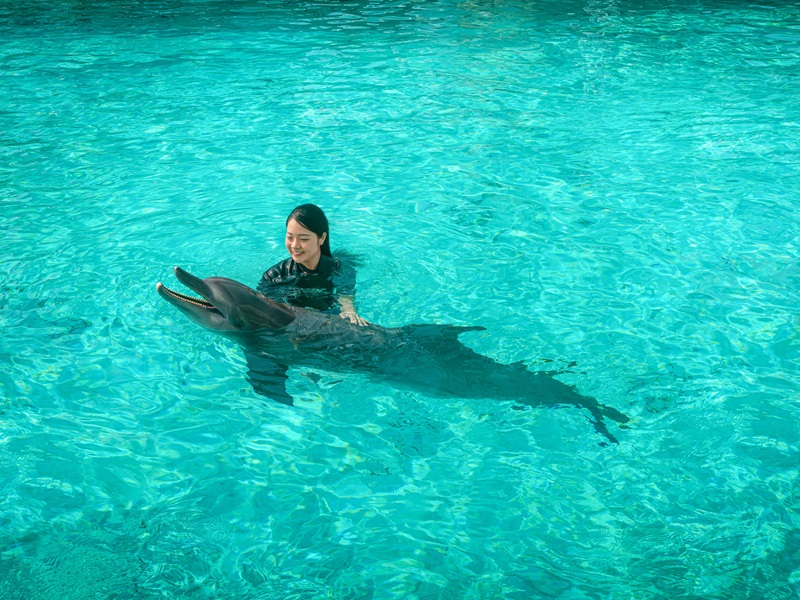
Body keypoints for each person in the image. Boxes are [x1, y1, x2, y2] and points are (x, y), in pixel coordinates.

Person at [257, 204, 368, 326]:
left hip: (330, 313)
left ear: (322, 238)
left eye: (303, 239)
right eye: (290, 237)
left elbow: (345, 292)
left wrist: (349, 310)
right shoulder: (274, 276)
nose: (294, 245)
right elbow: (271, 311)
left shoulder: (339, 268)